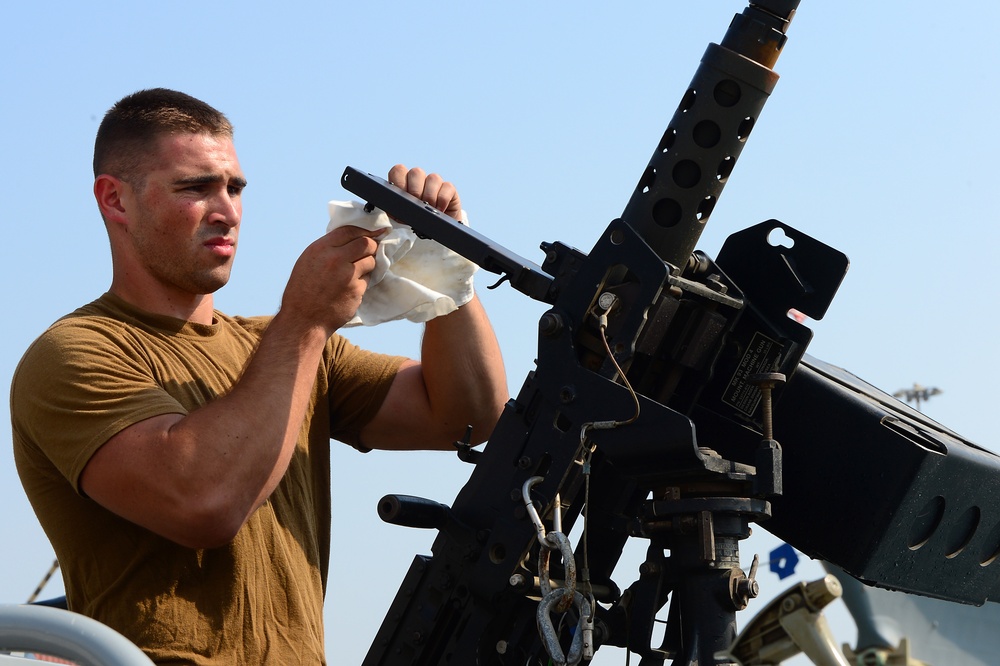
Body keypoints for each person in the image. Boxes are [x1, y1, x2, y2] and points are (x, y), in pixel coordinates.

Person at [10, 88, 508, 665]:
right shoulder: (75, 353)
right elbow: (205, 502)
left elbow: (467, 416)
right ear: (115, 199)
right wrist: (306, 321)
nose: (227, 211)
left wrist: (443, 261)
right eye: (195, 188)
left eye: (235, 188)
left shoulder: (281, 346)